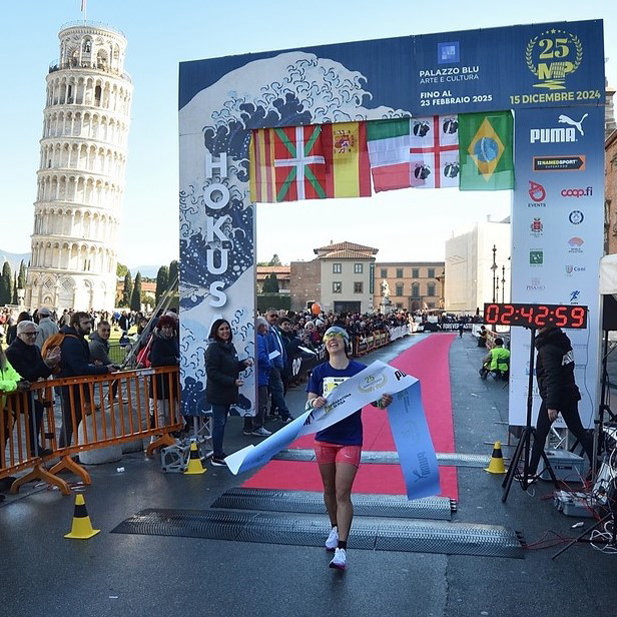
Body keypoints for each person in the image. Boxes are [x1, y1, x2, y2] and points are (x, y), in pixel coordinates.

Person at [307, 326, 392, 571]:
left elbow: (375, 400)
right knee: (329, 490)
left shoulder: (360, 371)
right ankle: (334, 527)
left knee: (343, 493)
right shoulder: (319, 371)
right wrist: (314, 401)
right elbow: (309, 400)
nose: (331, 341)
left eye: (336, 338)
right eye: (327, 339)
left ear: (345, 342)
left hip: (350, 438)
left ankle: (342, 548)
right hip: (324, 437)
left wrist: (383, 401)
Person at [529, 324, 594, 476]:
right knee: (578, 430)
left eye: (539, 326)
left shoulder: (547, 349)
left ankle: (531, 471)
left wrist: (551, 405)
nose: (537, 328)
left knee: (540, 434)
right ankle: (596, 462)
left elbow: (553, 378)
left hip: (555, 397)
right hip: (569, 394)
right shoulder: (563, 341)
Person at [6, 320, 61, 457]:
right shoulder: (13, 352)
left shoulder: (35, 349)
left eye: (35, 333)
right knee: (5, 432)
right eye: (29, 334)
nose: (33, 337)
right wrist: (47, 363)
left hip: (25, 396)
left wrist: (51, 364)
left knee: (37, 408)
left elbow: (41, 372)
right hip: (10, 397)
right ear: (19, 335)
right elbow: (27, 374)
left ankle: (33, 447)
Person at [57, 312, 112, 448]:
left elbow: (84, 364)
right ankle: (64, 455)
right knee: (69, 423)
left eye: (89, 322)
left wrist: (94, 365)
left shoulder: (80, 340)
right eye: (85, 323)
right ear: (76, 325)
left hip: (78, 388)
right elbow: (80, 368)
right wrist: (104, 369)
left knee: (76, 422)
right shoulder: (71, 342)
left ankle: (74, 451)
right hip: (70, 388)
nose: (89, 325)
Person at [205, 318, 253, 467]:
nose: (225, 331)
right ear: (216, 332)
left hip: (227, 392)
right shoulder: (213, 349)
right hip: (218, 393)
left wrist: (243, 364)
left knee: (222, 423)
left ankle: (219, 452)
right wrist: (232, 381)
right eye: (222, 329)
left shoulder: (229, 347)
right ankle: (217, 455)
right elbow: (212, 372)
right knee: (219, 423)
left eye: (227, 328)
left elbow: (231, 367)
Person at [1, 344, 31, 499]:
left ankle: (2, 476)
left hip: (3, 411)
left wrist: (20, 380)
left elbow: (12, 373)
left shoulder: (3, 360)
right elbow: (3, 385)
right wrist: (15, 385)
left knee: (2, 444)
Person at [148, 315, 179, 440]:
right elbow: (155, 360)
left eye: (169, 327)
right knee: (160, 411)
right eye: (165, 327)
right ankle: (159, 436)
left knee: (171, 411)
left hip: (170, 382)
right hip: (160, 383)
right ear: (161, 328)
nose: (167, 330)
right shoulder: (158, 342)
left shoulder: (173, 340)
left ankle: (168, 433)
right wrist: (174, 360)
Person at [243, 317, 272, 437]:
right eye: (265, 326)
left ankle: (248, 426)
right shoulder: (259, 338)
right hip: (260, 376)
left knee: (252, 401)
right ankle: (257, 426)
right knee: (261, 401)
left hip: (254, 375)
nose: (266, 329)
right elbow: (261, 356)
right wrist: (269, 365)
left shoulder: (254, 338)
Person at [265, 309, 292, 423]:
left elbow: (280, 347)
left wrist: (283, 360)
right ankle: (285, 414)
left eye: (276, 316)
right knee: (277, 390)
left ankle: (272, 413)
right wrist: (272, 363)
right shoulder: (266, 331)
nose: (275, 318)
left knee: (276, 391)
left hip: (279, 364)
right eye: (272, 316)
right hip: (272, 366)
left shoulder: (275, 330)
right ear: (266, 317)